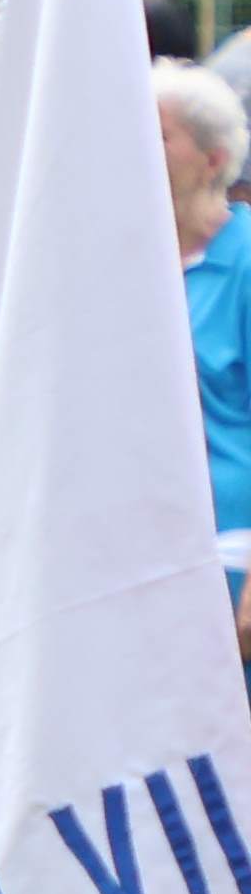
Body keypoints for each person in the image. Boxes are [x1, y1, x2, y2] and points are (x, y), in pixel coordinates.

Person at [174, 65, 251, 670]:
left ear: (212, 159)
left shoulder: (246, 262)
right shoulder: (116, 265)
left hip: (229, 562)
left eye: (158, 134)